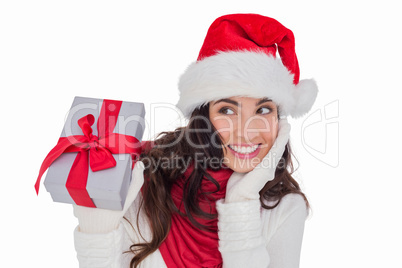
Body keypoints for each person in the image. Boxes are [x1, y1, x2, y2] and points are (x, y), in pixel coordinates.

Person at [73, 13, 318, 268]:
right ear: (203, 117)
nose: (246, 132)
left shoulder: (285, 208)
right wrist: (96, 236)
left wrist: (241, 203)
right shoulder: (145, 185)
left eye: (263, 110)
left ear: (281, 121)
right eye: (227, 110)